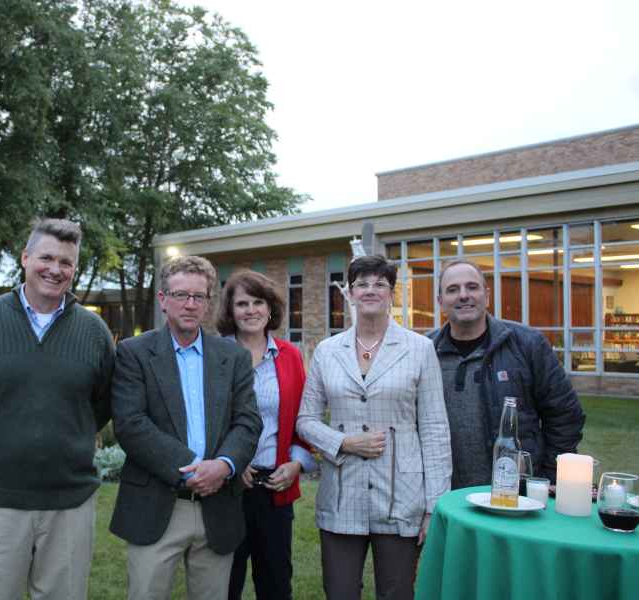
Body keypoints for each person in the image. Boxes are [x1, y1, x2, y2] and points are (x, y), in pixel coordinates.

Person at [0, 217, 115, 600]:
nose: (55, 269)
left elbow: (101, 403)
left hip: (69, 503)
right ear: (25, 258)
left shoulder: (93, 332)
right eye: (46, 258)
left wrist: (65, 432)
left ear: (74, 269)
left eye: (66, 262)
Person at [296, 255, 451, 600]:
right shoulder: (327, 351)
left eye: (380, 284)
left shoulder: (420, 349)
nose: (370, 290)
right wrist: (344, 442)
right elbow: (305, 420)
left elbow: (435, 429)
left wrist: (434, 506)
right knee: (339, 591)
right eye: (362, 284)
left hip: (402, 497)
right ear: (350, 293)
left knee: (397, 592)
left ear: (392, 294)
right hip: (342, 496)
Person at [109, 255, 263, 600]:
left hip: (218, 505)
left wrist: (223, 465)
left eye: (199, 296)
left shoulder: (233, 357)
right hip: (157, 504)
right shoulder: (134, 353)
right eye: (181, 295)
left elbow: (248, 420)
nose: (190, 304)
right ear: (163, 299)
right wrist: (193, 468)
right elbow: (131, 424)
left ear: (208, 303)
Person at [429, 258, 585, 489]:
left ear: (487, 296)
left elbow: (565, 415)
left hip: (513, 494)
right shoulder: (425, 351)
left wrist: (546, 476)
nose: (463, 295)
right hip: (444, 494)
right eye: (453, 289)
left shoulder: (527, 344)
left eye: (472, 287)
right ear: (441, 302)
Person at [215, 270, 315, 600]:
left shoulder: (290, 356)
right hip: (226, 488)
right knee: (223, 585)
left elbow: (303, 417)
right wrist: (230, 461)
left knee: (275, 585)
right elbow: (204, 420)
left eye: (258, 302)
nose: (251, 310)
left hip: (274, 487)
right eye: (242, 303)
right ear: (230, 311)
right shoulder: (215, 355)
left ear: (270, 308)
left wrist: (296, 463)